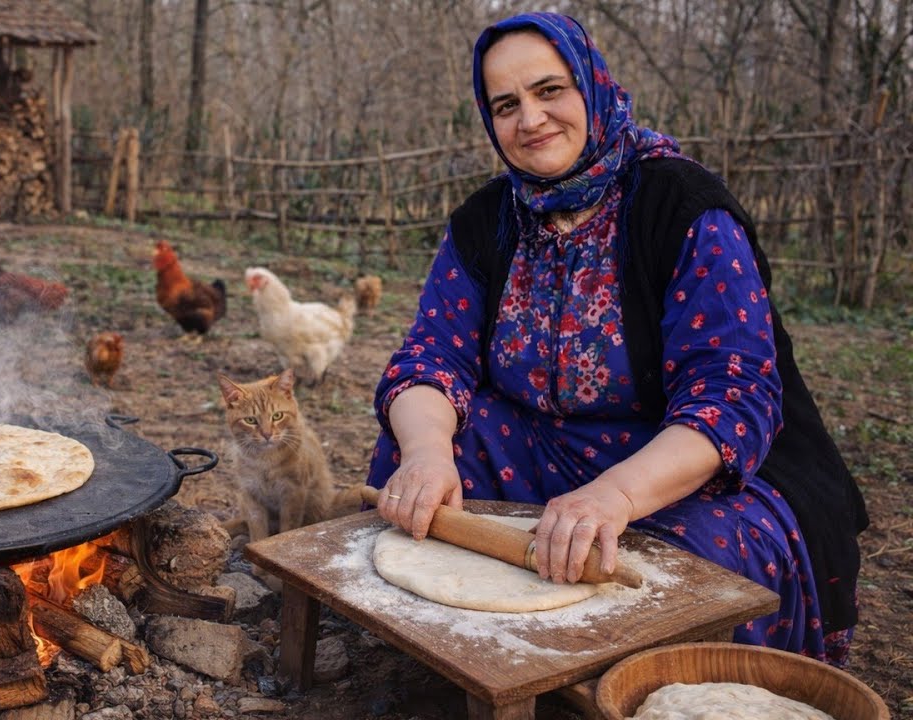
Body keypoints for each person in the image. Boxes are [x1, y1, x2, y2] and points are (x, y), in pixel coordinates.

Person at [366, 12, 868, 666]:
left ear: (592, 87)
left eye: (551, 91)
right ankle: (443, 657)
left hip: (688, 471)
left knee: (669, 573)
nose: (531, 120)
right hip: (545, 449)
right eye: (507, 105)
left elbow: (730, 397)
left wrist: (616, 495)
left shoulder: (681, 207)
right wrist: (428, 451)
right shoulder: (486, 220)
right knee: (413, 465)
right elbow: (431, 357)